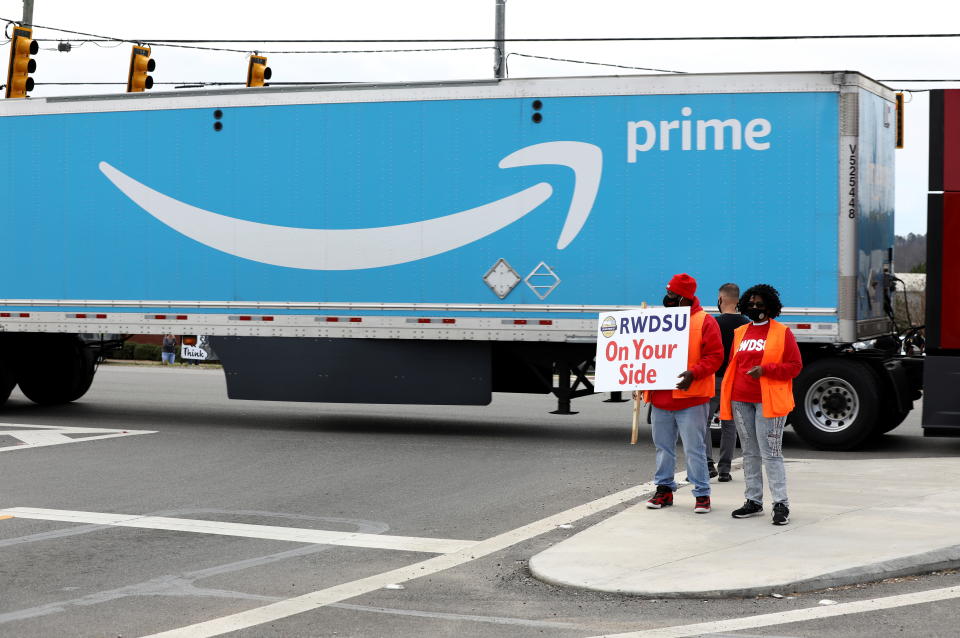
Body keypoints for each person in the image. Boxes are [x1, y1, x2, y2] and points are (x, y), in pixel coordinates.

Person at [719, 284, 803, 525]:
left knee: (771, 453)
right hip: (740, 399)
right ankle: (753, 501)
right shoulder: (740, 332)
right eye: (752, 304)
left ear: (770, 306)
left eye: (760, 304)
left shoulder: (782, 332)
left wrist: (765, 370)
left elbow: (795, 366)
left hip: (769, 400)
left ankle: (781, 503)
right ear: (744, 305)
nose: (755, 308)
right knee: (749, 453)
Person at [644, 273, 723, 514]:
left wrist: (694, 373)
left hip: (691, 397)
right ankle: (664, 490)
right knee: (663, 447)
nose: (667, 298)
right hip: (661, 396)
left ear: (684, 298)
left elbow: (715, 356)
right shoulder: (657, 320)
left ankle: (702, 494)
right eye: (667, 293)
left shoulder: (705, 321)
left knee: (694, 448)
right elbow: (644, 353)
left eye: (672, 295)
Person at [707, 283, 750, 482]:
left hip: (713, 379)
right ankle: (724, 469)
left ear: (721, 300)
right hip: (734, 380)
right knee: (729, 425)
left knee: (703, 423)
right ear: (738, 301)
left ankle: (707, 464)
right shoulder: (747, 325)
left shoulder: (713, 323)